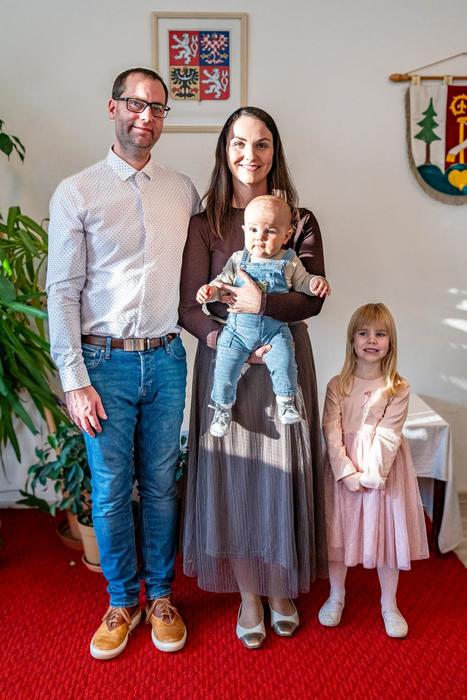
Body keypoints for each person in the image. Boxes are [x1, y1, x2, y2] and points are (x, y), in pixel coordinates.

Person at [46, 67, 200, 659]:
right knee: (111, 491)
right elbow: (62, 292)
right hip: (102, 363)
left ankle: (160, 597)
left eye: (157, 108)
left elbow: (200, 273)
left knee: (161, 486)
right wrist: (74, 380)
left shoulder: (182, 190)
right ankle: (120, 602)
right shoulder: (77, 192)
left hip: (165, 360)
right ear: (112, 108)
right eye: (136, 104)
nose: (146, 116)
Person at [179, 106, 328, 649]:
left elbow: (312, 297)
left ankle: (281, 588)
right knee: (235, 480)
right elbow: (190, 306)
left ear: (274, 152)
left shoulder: (300, 220)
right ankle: (248, 594)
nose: (250, 154)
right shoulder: (206, 224)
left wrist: (264, 306)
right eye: (239, 143)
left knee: (281, 475)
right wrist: (227, 344)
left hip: (285, 361)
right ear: (225, 151)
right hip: (229, 367)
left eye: (262, 143)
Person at [318, 303, 429, 638]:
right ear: (352, 340)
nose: (371, 340)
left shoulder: (398, 386)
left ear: (390, 342)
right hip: (343, 471)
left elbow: (388, 434)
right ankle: (336, 594)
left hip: (384, 472)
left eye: (380, 334)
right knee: (338, 531)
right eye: (363, 333)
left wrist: (370, 476)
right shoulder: (338, 384)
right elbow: (331, 430)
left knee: (386, 535)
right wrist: (346, 472)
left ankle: (389, 603)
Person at [197, 194, 330, 436]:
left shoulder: (290, 260)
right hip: (237, 331)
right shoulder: (238, 259)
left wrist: (315, 283)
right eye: (253, 230)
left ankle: (286, 400)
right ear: (244, 231)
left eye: (269, 231)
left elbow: (302, 282)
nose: (260, 236)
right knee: (224, 366)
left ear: (287, 235)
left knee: (285, 359)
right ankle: (222, 408)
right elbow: (222, 284)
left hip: (274, 329)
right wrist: (211, 292)